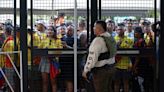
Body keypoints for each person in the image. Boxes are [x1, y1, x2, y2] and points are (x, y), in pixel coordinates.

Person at [82, 20, 117, 92]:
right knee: (109, 89)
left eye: (94, 26)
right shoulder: (110, 38)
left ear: (99, 29)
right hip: (111, 68)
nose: (93, 28)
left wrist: (86, 70)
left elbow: (92, 57)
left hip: (101, 72)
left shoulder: (98, 40)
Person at [39, 25, 62, 92]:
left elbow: (60, 51)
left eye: (51, 30)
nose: (49, 31)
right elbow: (39, 49)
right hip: (44, 62)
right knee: (45, 82)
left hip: (53, 62)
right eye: (48, 30)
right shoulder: (43, 40)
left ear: (54, 32)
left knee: (53, 82)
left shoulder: (58, 40)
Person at [114, 24, 133, 92]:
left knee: (126, 83)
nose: (120, 31)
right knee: (116, 83)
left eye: (121, 29)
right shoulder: (113, 40)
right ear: (116, 30)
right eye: (118, 29)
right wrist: (117, 45)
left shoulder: (129, 40)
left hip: (126, 65)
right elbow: (111, 51)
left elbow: (131, 52)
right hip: (116, 65)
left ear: (124, 30)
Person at [1, 25, 15, 92]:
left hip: (9, 64)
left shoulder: (9, 42)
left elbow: (10, 55)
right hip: (7, 64)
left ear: (6, 32)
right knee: (9, 81)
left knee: (10, 82)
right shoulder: (9, 40)